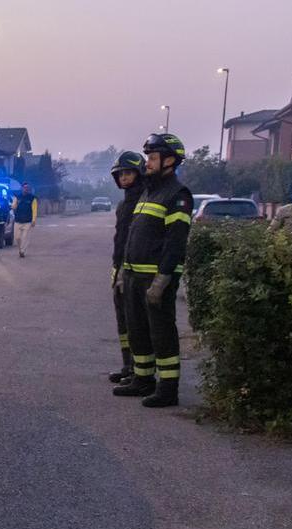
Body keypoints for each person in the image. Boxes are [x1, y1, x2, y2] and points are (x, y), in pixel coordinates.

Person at [113, 134, 192, 408]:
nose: (148, 163)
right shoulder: (149, 191)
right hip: (135, 275)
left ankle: (168, 389)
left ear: (169, 161)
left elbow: (175, 242)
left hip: (154, 278)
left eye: (153, 157)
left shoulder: (177, 195)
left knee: (161, 333)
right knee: (138, 331)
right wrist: (124, 270)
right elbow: (132, 234)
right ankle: (143, 379)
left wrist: (163, 280)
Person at [107, 151, 146, 384]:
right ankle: (127, 364)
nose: (123, 178)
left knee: (135, 322)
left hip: (133, 270)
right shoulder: (124, 204)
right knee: (122, 321)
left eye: (128, 173)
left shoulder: (144, 200)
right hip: (119, 266)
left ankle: (137, 369)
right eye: (120, 174)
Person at [12, 182, 39, 257]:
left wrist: (33, 220)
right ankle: (20, 248)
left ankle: (22, 251)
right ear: (22, 188)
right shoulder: (17, 197)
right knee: (17, 237)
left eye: (27, 188)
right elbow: (13, 206)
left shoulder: (32, 198)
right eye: (24, 187)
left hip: (27, 221)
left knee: (25, 238)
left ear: (29, 189)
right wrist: (13, 205)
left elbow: (34, 210)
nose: (26, 189)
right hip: (18, 220)